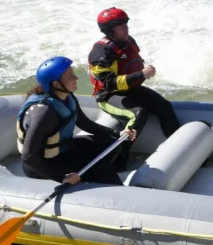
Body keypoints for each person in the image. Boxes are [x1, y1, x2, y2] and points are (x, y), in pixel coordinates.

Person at [17, 57, 136, 186]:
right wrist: (62, 178)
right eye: (70, 77)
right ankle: (102, 179)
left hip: (65, 148)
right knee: (103, 169)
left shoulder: (67, 96)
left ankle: (94, 179)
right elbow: (29, 157)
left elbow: (85, 123)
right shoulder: (44, 113)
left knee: (111, 143)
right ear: (56, 84)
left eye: (73, 74)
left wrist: (117, 133)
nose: (76, 78)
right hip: (45, 164)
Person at [88, 7, 180, 139]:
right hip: (108, 96)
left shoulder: (128, 41)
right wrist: (141, 74)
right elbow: (110, 84)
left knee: (164, 105)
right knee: (137, 114)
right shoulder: (102, 53)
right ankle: (122, 154)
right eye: (121, 27)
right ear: (109, 31)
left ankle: (175, 142)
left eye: (126, 25)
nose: (126, 29)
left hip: (130, 90)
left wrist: (142, 73)